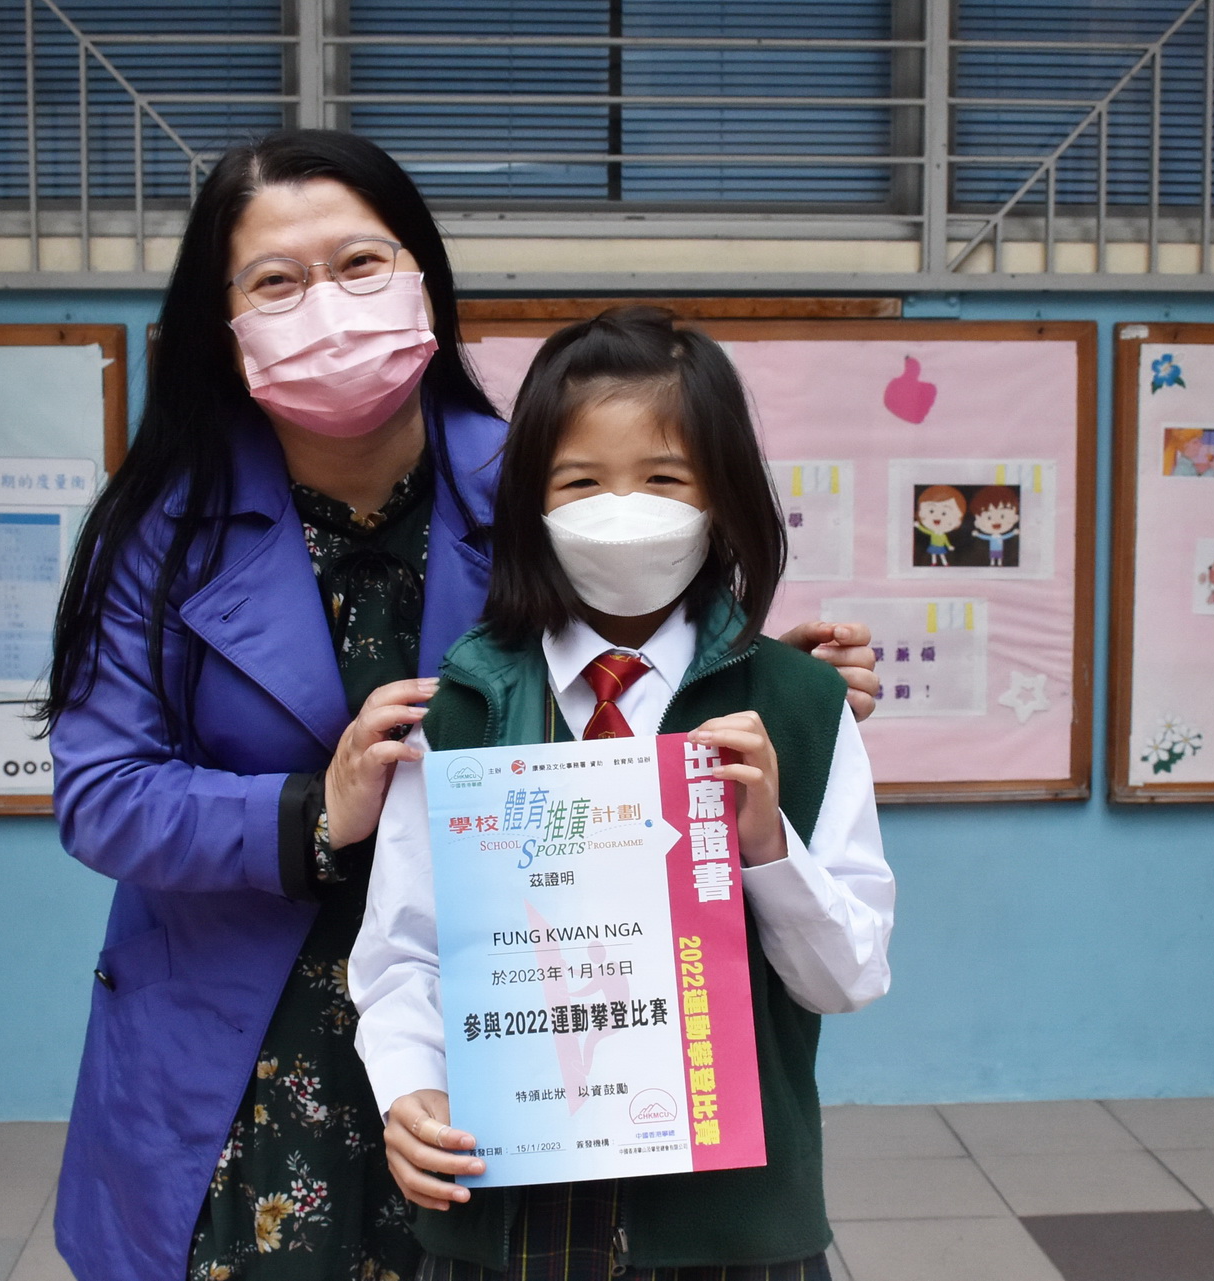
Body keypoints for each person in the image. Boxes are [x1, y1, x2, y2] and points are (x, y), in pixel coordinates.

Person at [43, 131, 882, 1281]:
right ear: (220, 322)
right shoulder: (162, 530)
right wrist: (313, 813)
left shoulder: (544, 480)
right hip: (253, 1036)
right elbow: (103, 795)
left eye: (359, 263)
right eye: (276, 281)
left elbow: (630, 647)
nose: (328, 307)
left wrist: (760, 683)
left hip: (517, 1017)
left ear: (424, 279)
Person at [349, 308, 895, 1281]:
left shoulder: (803, 708)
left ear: (723, 496)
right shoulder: (465, 708)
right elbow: (406, 951)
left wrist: (765, 848)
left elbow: (847, 978)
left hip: (730, 1232)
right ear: (532, 503)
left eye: (664, 478)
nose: (622, 508)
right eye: (581, 481)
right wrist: (409, 1090)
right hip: (507, 1220)